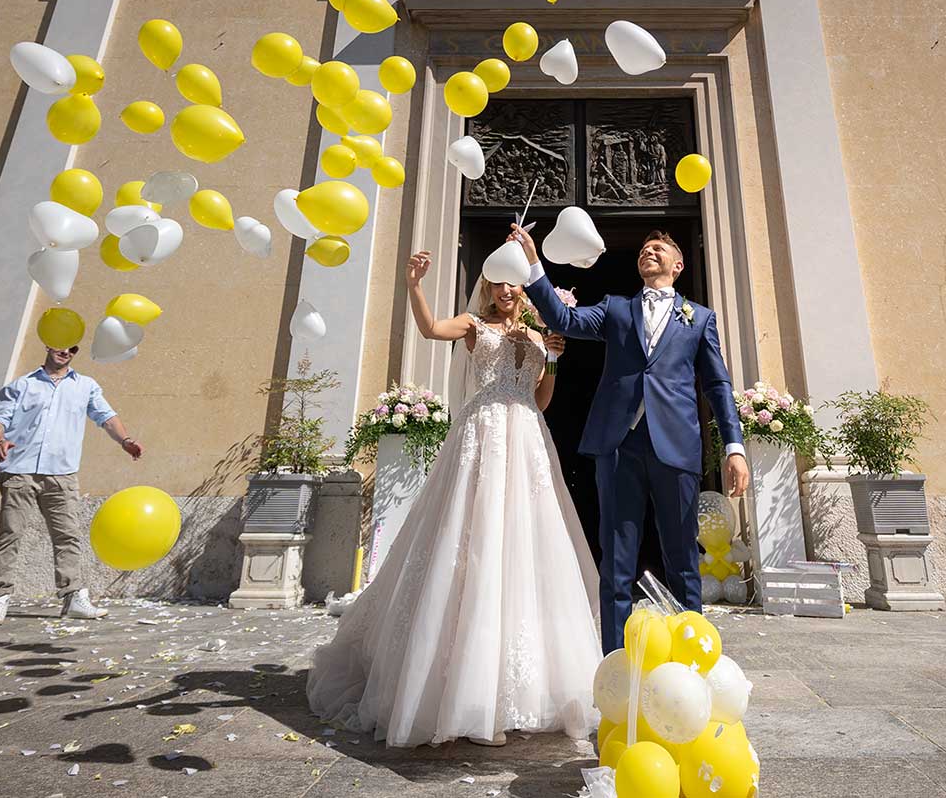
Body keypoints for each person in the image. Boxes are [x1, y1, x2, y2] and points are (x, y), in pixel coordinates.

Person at [307, 250, 599, 747]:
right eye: (498, 283)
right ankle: (453, 680)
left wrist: (551, 359)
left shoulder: (534, 334)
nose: (507, 291)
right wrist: (414, 284)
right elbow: (429, 330)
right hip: (481, 433)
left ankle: (524, 685)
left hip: (525, 435)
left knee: (527, 540)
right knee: (469, 535)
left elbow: (542, 400)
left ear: (524, 289)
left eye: (514, 284)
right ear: (487, 287)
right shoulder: (472, 324)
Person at [511, 223, 748, 655]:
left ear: (678, 265)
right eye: (644, 249)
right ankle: (615, 661)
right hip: (619, 444)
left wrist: (734, 447)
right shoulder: (616, 309)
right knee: (617, 559)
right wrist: (532, 263)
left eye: (659, 248)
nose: (649, 252)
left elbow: (718, 386)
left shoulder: (700, 318)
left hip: (676, 446)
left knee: (681, 559)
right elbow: (564, 319)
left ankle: (688, 657)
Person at [0, 341, 142, 625]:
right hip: (20, 469)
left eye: (73, 348)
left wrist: (125, 441)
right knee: (10, 534)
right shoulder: (22, 385)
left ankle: (74, 598)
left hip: (62, 472)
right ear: (47, 344)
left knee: (67, 536)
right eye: (60, 345)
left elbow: (106, 417)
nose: (66, 351)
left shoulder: (86, 386)